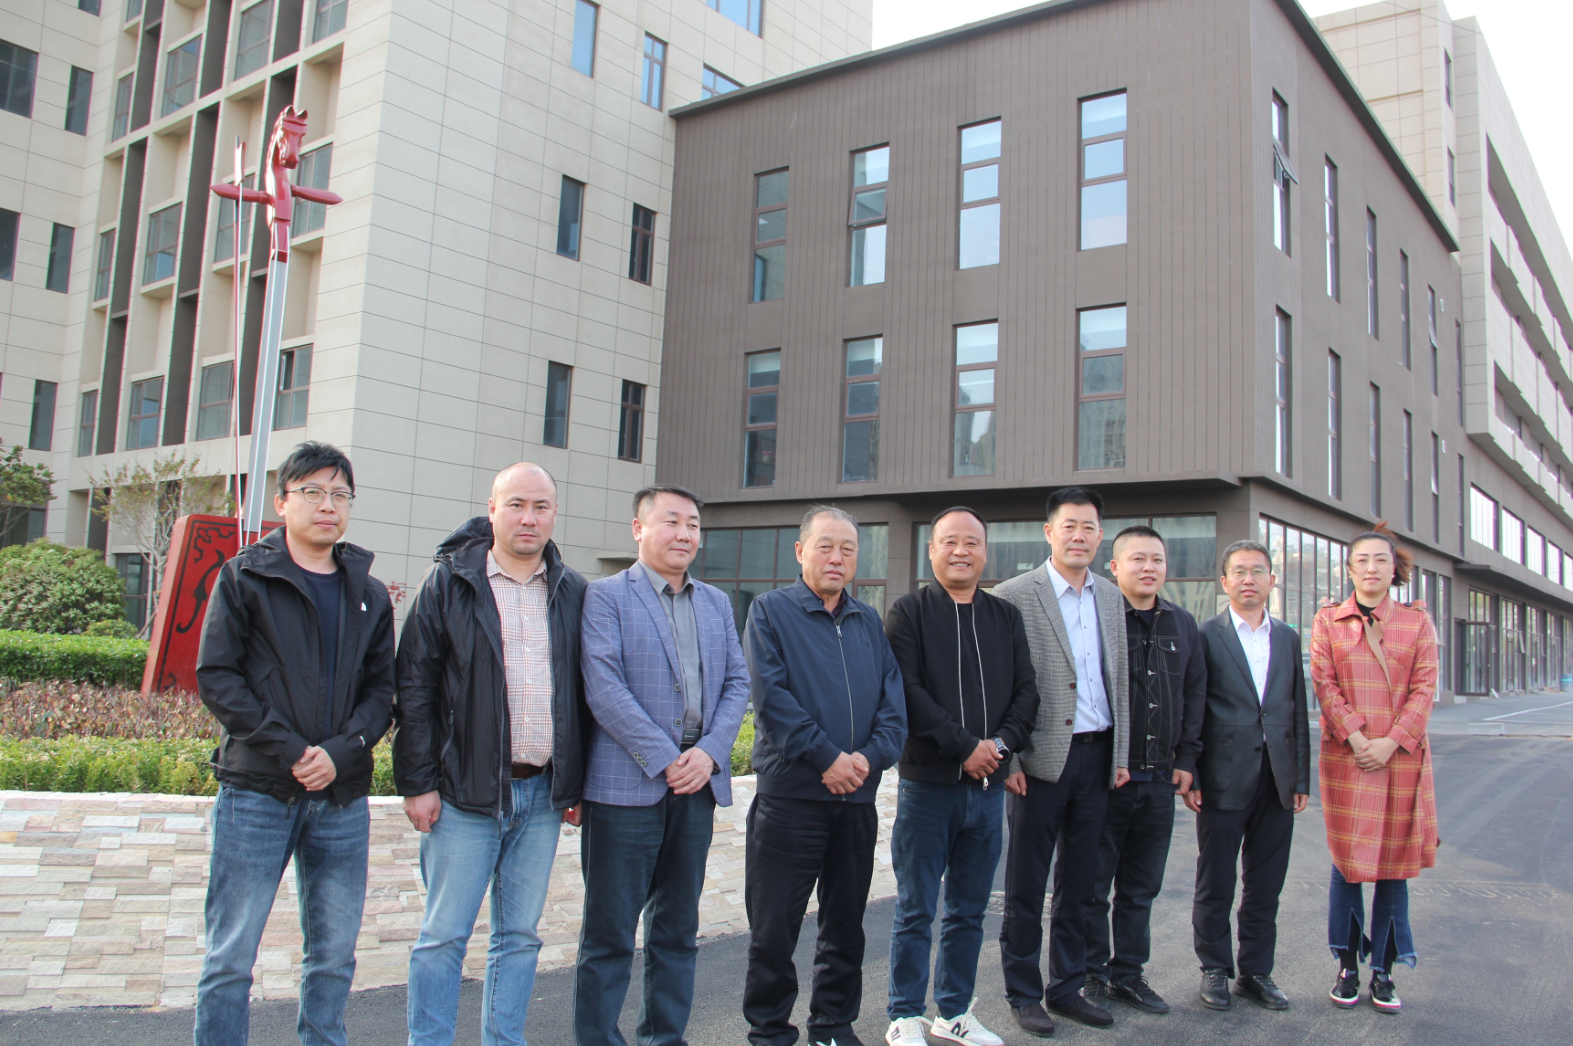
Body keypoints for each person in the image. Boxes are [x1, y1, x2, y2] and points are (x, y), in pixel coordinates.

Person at [193, 441, 396, 1046]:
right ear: (282, 502)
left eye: (340, 494)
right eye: (312, 492)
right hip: (257, 791)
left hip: (340, 798)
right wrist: (292, 751)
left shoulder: (369, 593)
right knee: (231, 957)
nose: (327, 505)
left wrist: (339, 753)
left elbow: (382, 692)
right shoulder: (245, 577)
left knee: (333, 956)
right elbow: (218, 678)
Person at [393, 463, 589, 1046]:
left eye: (541, 507)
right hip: (463, 794)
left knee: (520, 937)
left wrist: (575, 782)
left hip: (542, 795)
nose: (529, 518)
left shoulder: (573, 590)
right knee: (443, 937)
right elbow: (414, 689)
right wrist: (417, 783)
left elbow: (586, 694)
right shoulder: (448, 583)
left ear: (555, 514)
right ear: (493, 509)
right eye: (517, 505)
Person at [574, 484, 751, 1046]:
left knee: (677, 931)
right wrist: (666, 758)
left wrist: (710, 752)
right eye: (672, 521)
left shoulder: (716, 602)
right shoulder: (604, 596)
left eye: (693, 524)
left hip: (696, 788)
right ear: (639, 528)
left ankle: (664, 1038)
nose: (684, 534)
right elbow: (603, 687)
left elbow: (738, 682)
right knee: (609, 935)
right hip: (625, 789)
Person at [742, 505, 908, 1046]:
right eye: (825, 546)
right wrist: (826, 758)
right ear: (801, 551)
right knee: (774, 928)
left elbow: (893, 706)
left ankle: (833, 1024)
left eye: (848, 549)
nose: (837, 557)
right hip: (791, 800)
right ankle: (770, 1030)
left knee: (845, 924)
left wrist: (869, 759)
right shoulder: (770, 612)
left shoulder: (867, 622)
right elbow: (771, 698)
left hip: (856, 800)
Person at [882, 508, 1040, 1046]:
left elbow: (1027, 692)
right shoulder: (909, 612)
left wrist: (998, 747)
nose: (961, 551)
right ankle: (905, 1014)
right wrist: (965, 747)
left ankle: (954, 1013)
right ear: (932, 550)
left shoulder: (1004, 616)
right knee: (916, 907)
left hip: (987, 788)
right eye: (949, 541)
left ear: (984, 551)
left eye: (972, 542)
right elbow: (907, 692)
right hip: (928, 786)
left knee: (969, 910)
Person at [993, 487, 1130, 1035]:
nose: (1079, 536)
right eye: (1069, 526)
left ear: (1100, 536)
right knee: (1027, 883)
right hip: (1039, 760)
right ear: (1049, 532)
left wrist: (1120, 754)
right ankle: (1024, 992)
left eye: (1089, 527)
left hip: (1098, 756)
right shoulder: (1013, 595)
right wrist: (1009, 762)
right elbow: (1001, 685)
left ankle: (1067, 987)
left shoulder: (1111, 597)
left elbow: (1118, 680)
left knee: (1081, 883)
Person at [1310, 525, 1439, 1015]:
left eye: (1380, 560)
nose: (1371, 568)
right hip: (1348, 755)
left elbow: (1425, 689)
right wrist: (1359, 738)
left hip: (1400, 757)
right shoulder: (1328, 620)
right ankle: (1347, 966)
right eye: (1362, 559)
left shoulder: (1417, 623)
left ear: (1394, 569)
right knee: (1347, 864)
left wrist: (1390, 742)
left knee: (1392, 868)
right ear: (1349, 568)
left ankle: (1383, 971)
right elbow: (1323, 684)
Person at [1084, 525, 1206, 1016]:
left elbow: (1194, 696)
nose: (1148, 567)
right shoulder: (1099, 618)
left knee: (1141, 887)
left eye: (1156, 559)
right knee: (1094, 885)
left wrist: (1187, 759)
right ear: (1114, 567)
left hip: (1159, 779)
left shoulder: (1183, 624)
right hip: (1107, 776)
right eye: (1137, 559)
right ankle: (1090, 974)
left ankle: (1128, 974)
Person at [1189, 539, 1310, 1012]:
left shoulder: (1288, 637)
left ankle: (1256, 972)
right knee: (1216, 881)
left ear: (1272, 580)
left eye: (1258, 571)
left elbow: (1297, 710)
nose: (1248, 580)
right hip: (1222, 778)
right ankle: (1215, 969)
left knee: (1266, 885)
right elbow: (1195, 709)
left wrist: (1300, 779)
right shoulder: (1207, 635)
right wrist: (1193, 773)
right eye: (1239, 571)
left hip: (1277, 780)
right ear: (1224, 582)